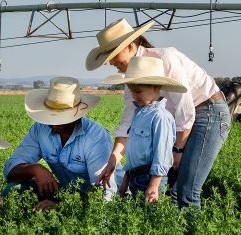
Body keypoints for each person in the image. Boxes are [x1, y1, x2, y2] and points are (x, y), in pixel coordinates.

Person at [88, 18, 230, 209]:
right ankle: (173, 233)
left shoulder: (164, 59)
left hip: (208, 112)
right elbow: (128, 124)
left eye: (114, 55)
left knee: (185, 188)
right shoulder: (133, 79)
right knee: (170, 187)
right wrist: (113, 161)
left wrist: (177, 153)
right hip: (177, 122)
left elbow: (185, 111)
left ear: (130, 46)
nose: (111, 62)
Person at [4, 76, 119, 210]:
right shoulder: (39, 129)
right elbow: (10, 170)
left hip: (97, 197)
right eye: (52, 115)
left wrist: (61, 205)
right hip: (66, 191)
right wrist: (36, 169)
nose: (56, 122)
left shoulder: (95, 136)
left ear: (77, 115)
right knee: (13, 190)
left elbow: (105, 192)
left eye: (63, 117)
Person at [102, 56, 183, 203]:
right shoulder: (138, 114)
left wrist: (154, 185)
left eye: (138, 91)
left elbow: (162, 154)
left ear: (156, 87)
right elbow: (133, 153)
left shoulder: (160, 117)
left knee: (151, 221)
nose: (134, 96)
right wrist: (125, 182)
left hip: (150, 178)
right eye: (132, 91)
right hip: (135, 177)